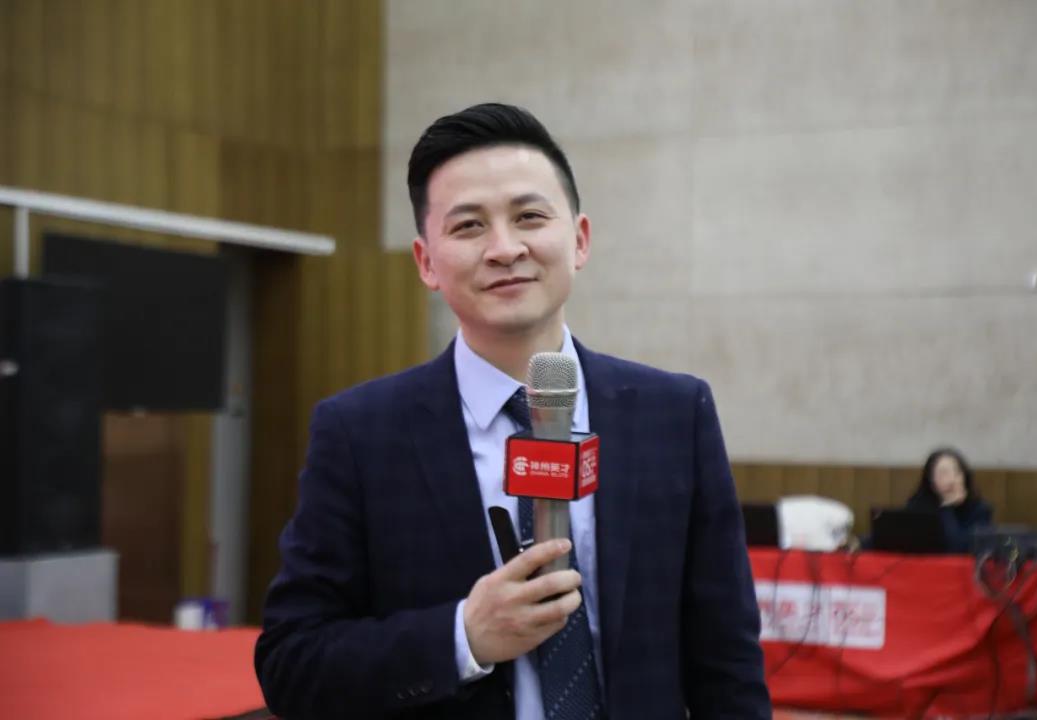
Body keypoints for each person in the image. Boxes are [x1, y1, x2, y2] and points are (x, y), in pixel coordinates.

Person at [254, 103, 770, 719]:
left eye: (529, 216)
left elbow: (727, 662)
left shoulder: (675, 415)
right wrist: (463, 636)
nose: (504, 248)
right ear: (426, 261)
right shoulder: (360, 434)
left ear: (579, 239)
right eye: (469, 226)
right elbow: (291, 663)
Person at [906, 447, 994, 553]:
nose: (952, 480)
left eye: (957, 473)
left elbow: (958, 548)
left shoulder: (979, 509)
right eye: (944, 473)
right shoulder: (917, 506)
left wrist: (947, 508)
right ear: (931, 480)